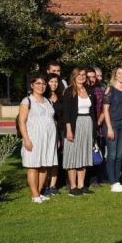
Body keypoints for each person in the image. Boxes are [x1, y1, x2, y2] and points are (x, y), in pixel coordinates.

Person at [19, 75, 57, 203]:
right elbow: (21, 121)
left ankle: (39, 193)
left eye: (43, 84)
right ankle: (35, 195)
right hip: (34, 138)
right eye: (38, 83)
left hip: (49, 139)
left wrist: (56, 138)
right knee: (33, 166)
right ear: (32, 85)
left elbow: (52, 120)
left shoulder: (48, 101)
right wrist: (26, 139)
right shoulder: (27, 101)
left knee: (44, 166)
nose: (41, 86)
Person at [62, 67, 97, 196]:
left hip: (87, 123)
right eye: (79, 75)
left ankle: (82, 185)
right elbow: (66, 113)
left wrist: (93, 129)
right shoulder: (69, 91)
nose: (82, 77)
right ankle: (73, 186)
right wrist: (69, 130)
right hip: (74, 124)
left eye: (83, 75)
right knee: (73, 154)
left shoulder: (89, 90)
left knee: (84, 154)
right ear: (74, 76)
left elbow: (93, 111)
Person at [102, 66, 122, 193]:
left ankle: (117, 180)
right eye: (119, 73)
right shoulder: (110, 89)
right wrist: (109, 128)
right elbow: (105, 110)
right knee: (112, 154)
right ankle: (113, 182)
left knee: (119, 155)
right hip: (113, 124)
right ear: (115, 75)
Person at [43, 73, 64, 196]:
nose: (54, 84)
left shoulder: (61, 96)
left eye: (56, 82)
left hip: (60, 130)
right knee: (47, 158)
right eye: (51, 81)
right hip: (48, 130)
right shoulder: (43, 97)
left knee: (56, 158)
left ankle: (53, 185)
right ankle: (45, 185)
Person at [86, 68, 106, 186]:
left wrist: (99, 121)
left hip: (98, 126)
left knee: (96, 152)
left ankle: (96, 178)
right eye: (89, 77)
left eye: (94, 77)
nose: (92, 79)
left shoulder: (99, 91)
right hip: (84, 125)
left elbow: (104, 108)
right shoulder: (81, 90)